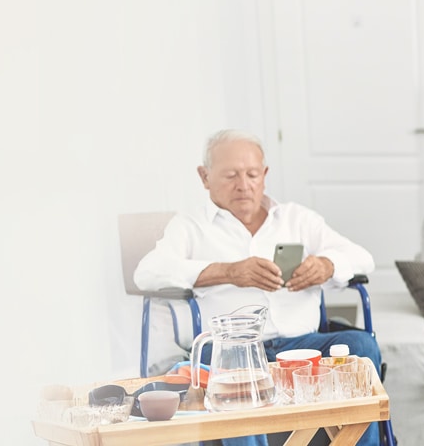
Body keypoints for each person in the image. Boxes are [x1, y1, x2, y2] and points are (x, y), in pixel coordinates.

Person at [136, 129, 382, 446]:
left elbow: (363, 258)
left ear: (264, 175)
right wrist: (227, 272)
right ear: (204, 176)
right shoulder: (190, 225)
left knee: (361, 348)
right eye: (230, 176)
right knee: (234, 370)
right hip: (227, 350)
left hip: (302, 347)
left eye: (252, 174)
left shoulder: (297, 219)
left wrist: (326, 265)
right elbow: (148, 272)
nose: (244, 185)